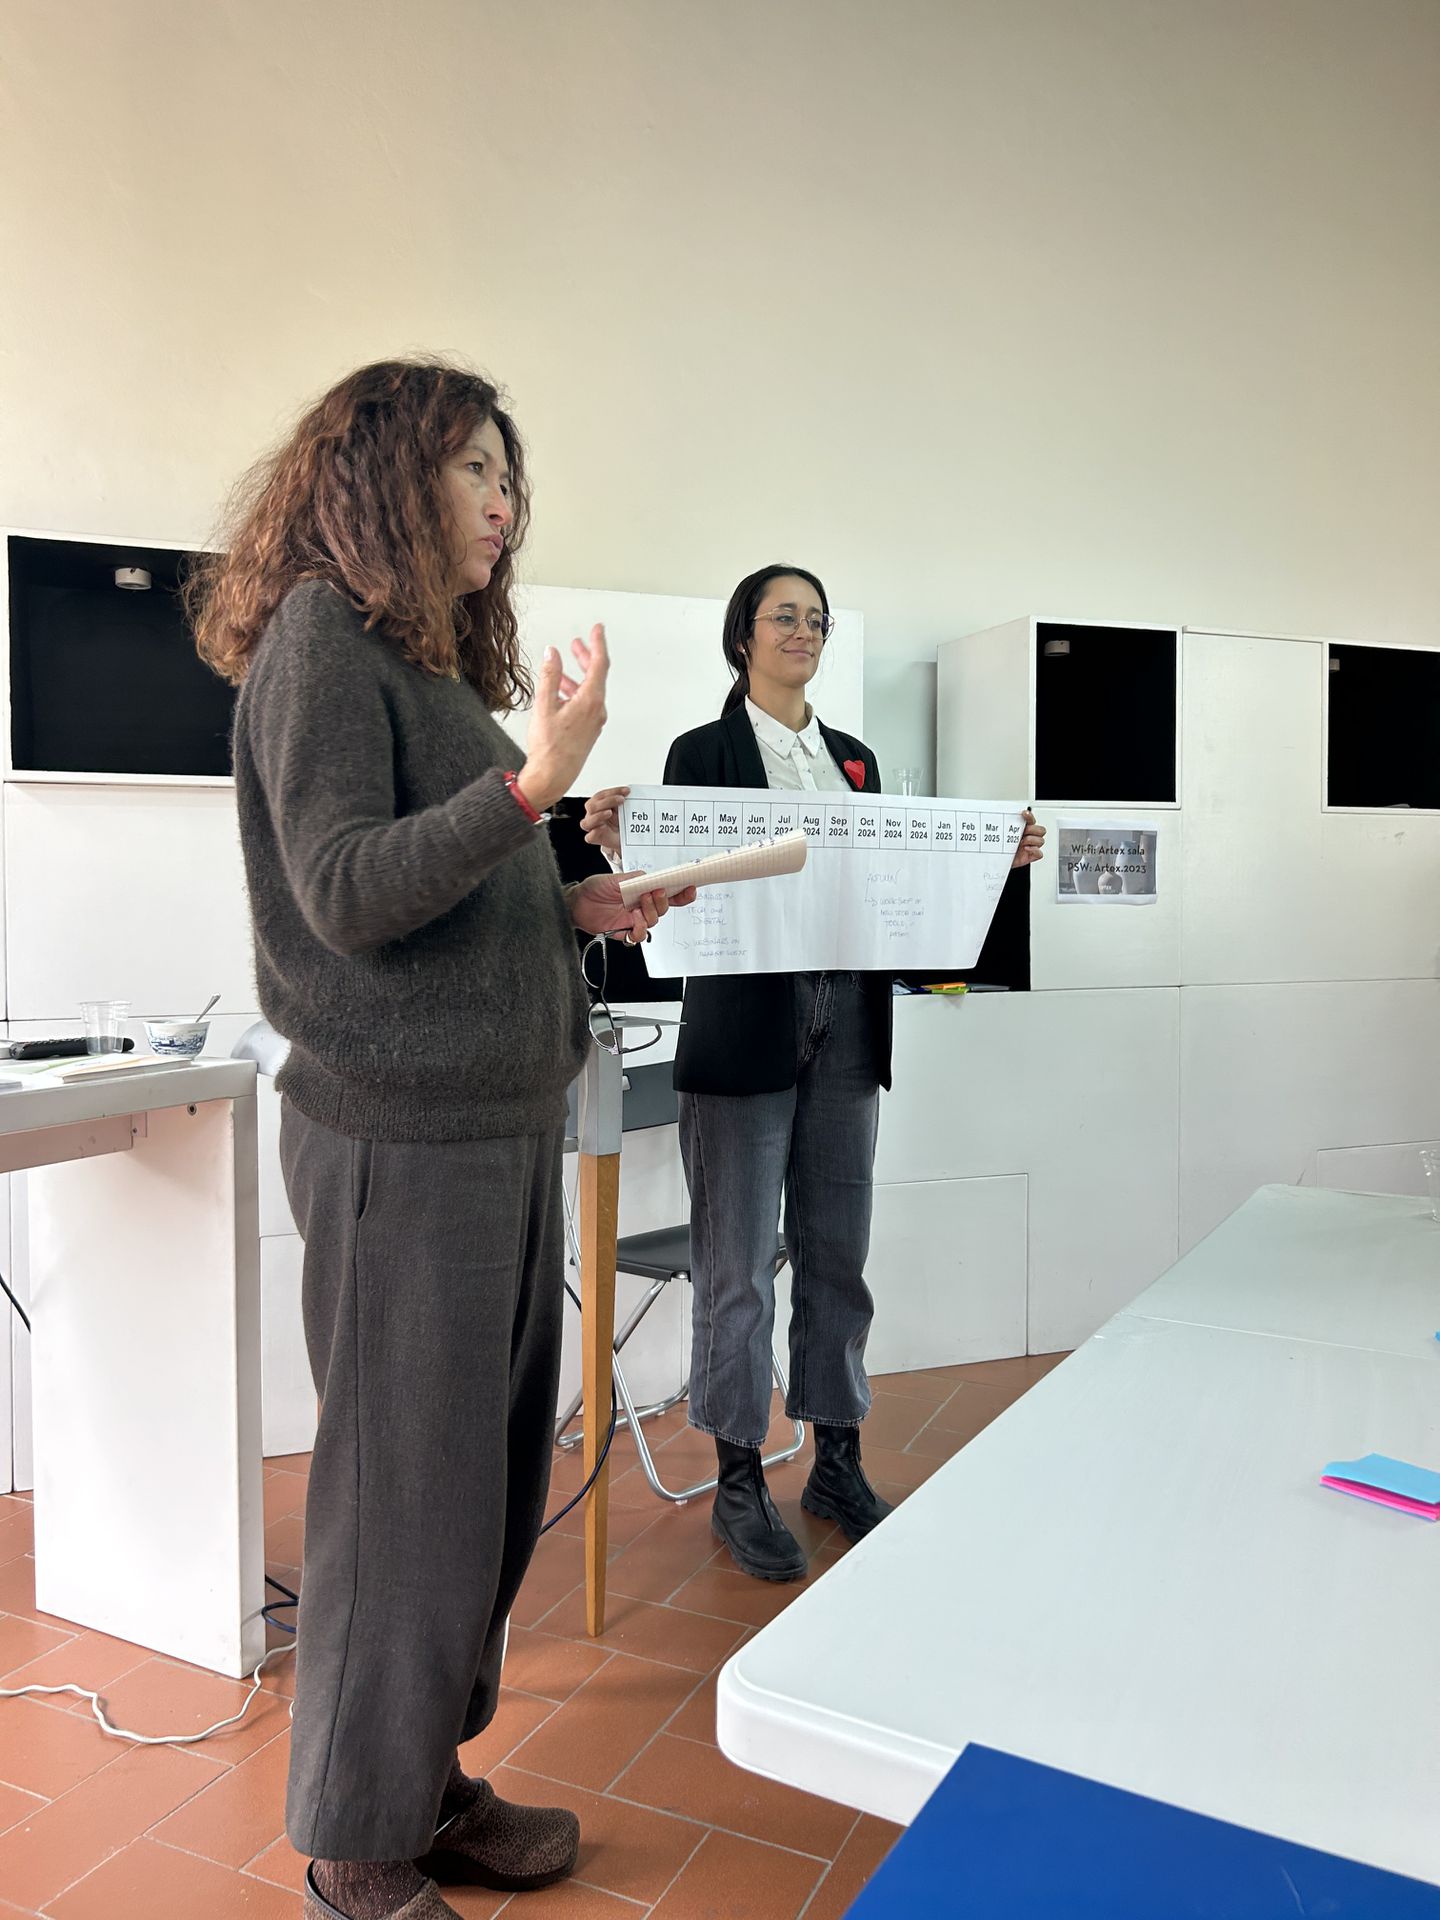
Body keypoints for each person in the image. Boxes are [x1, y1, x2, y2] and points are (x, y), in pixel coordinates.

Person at [189, 359, 692, 1920]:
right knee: (403, 1504)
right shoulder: (316, 644)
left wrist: (577, 899)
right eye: (475, 468)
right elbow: (346, 890)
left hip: (489, 1127)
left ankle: (418, 1783)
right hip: (400, 1147)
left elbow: (446, 891)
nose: (503, 501)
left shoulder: (418, 668)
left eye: (507, 474)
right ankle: (354, 1843)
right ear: (386, 477)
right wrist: (533, 781)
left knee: (473, 1495)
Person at [582, 564, 1044, 1582]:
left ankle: (837, 1460)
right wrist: (626, 836)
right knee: (738, 1266)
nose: (804, 631)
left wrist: (991, 861)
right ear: (743, 636)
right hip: (745, 1026)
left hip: (850, 1026)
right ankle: (739, 1480)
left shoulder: (856, 760)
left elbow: (899, 882)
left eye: (817, 620)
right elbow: (672, 882)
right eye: (784, 616)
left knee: (838, 1254)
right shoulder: (700, 753)